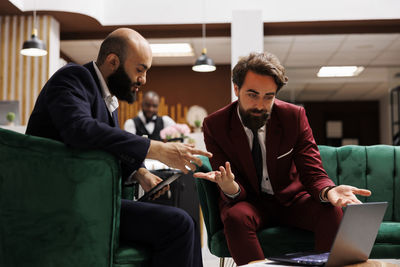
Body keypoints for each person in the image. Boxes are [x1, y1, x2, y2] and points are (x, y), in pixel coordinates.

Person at [25, 28, 212, 267]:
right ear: (113, 61)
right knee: (179, 225)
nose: (144, 80)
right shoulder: (72, 77)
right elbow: (80, 130)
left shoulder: (107, 99)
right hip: (61, 203)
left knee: (188, 222)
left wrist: (140, 173)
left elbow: (103, 145)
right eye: (140, 70)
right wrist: (154, 148)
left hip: (87, 200)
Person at [194, 52, 371, 266]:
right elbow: (230, 181)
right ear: (236, 89)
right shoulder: (215, 125)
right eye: (252, 94)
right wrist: (230, 186)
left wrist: (328, 190)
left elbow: (312, 171)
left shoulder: (293, 117)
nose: (260, 105)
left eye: (269, 96)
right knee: (235, 218)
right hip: (248, 202)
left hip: (292, 200)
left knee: (330, 210)